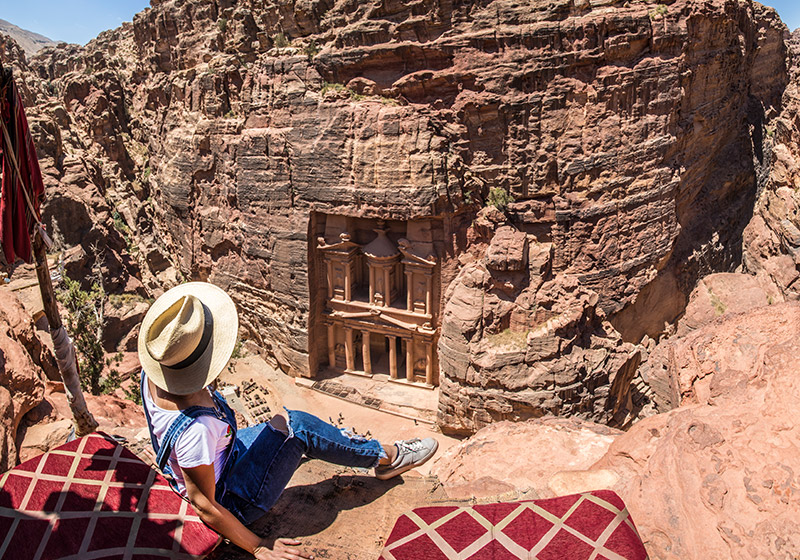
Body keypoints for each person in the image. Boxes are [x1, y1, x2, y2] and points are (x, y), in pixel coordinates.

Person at [139, 282, 438, 560]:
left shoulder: (154, 374)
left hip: (223, 458)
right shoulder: (198, 430)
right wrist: (258, 546)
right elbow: (204, 504)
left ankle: (338, 443)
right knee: (298, 428)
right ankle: (386, 457)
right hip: (233, 499)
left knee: (281, 424)